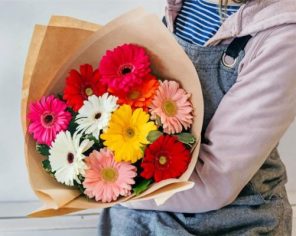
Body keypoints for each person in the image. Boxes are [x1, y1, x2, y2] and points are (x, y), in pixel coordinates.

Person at [97, 0, 296, 235]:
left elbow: (216, 182)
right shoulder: (186, 5)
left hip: (236, 217)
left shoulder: (284, 36)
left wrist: (109, 189)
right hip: (144, 202)